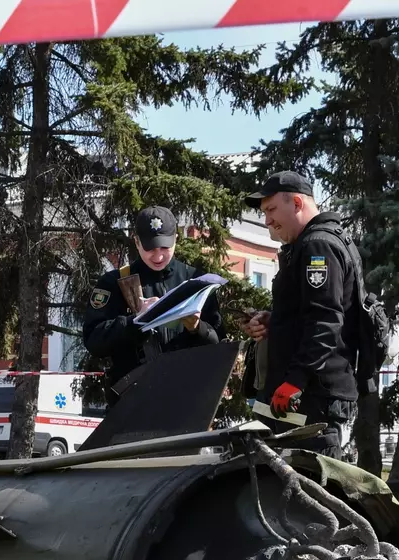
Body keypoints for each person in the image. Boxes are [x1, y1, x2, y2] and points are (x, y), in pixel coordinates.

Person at [241, 171, 361, 459]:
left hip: (308, 395)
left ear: (296, 203)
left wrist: (296, 379)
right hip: (301, 392)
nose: (267, 220)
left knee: (309, 484)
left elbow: (325, 320)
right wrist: (275, 321)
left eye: (271, 210)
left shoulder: (317, 246)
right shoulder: (309, 244)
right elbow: (310, 313)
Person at [81, 206, 224, 403]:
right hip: (132, 404)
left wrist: (197, 328)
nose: (158, 256)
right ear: (137, 241)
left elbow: (218, 346)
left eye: (165, 247)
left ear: (176, 239)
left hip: (186, 401)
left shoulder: (196, 281)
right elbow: (94, 341)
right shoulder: (114, 283)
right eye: (150, 248)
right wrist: (136, 322)